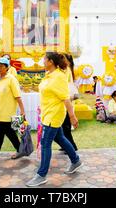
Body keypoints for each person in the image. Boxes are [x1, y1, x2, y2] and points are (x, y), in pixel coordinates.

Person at [26, 52, 82, 187]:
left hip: (54, 114)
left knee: (45, 143)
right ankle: (76, 160)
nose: (42, 62)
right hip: (47, 113)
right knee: (60, 138)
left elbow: (66, 98)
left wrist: (72, 116)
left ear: (50, 61)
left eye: (44, 59)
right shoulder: (49, 75)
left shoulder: (59, 77)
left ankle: (41, 175)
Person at [57, 53, 78, 151]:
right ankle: (66, 146)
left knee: (65, 126)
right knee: (63, 126)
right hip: (65, 100)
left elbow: (65, 84)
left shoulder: (66, 70)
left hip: (66, 100)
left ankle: (72, 146)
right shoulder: (64, 70)